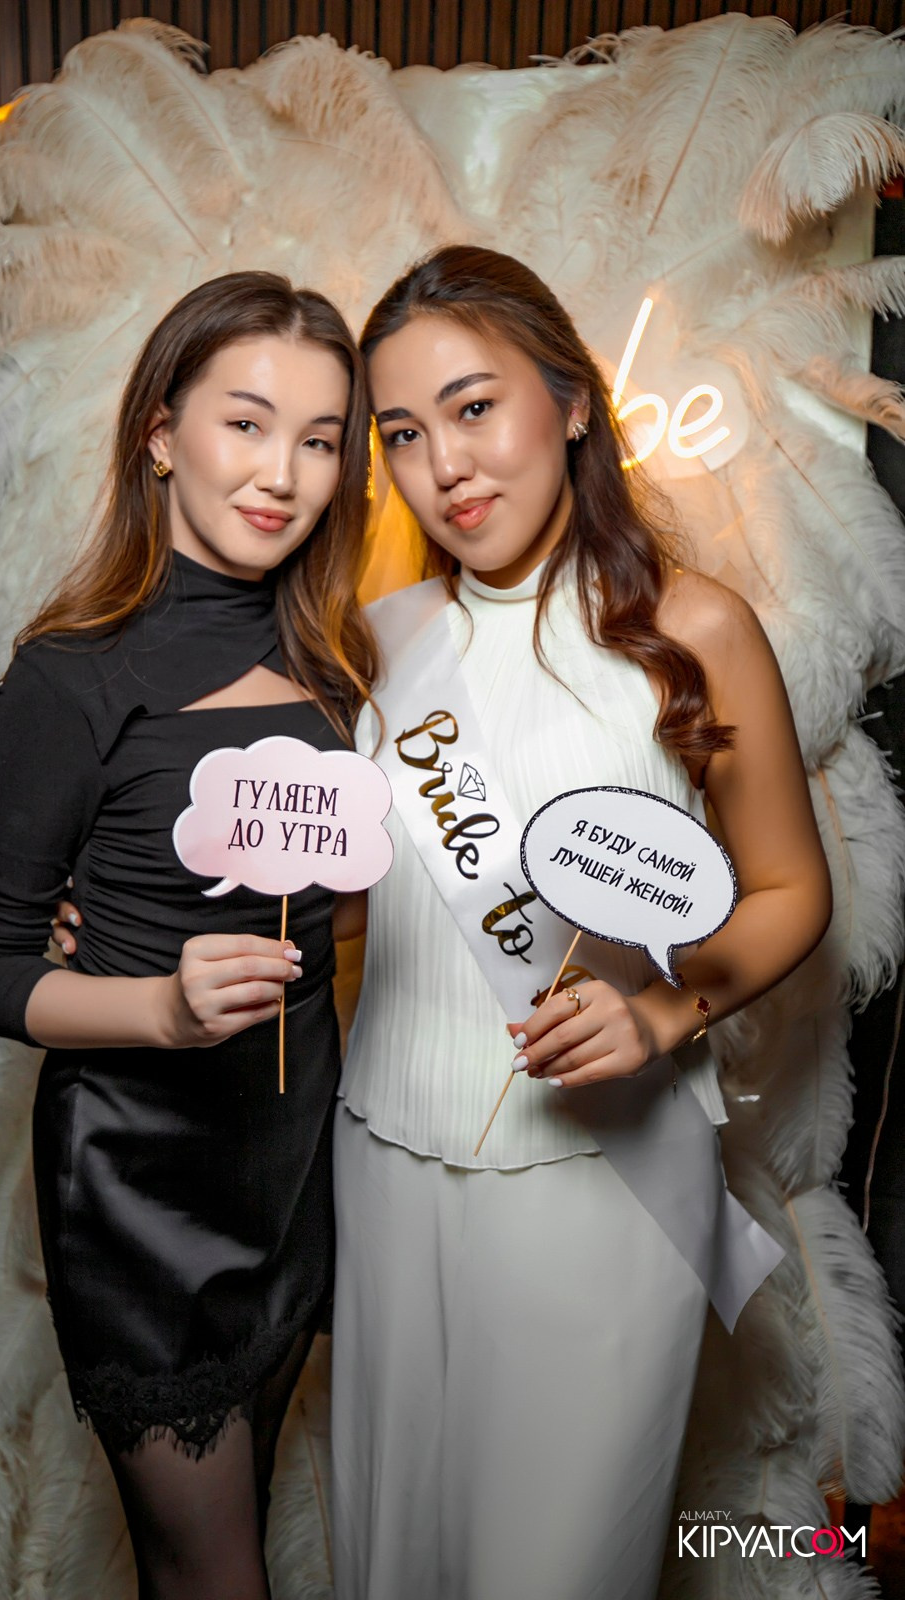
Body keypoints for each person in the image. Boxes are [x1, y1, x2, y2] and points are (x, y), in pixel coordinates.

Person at [329, 246, 833, 1600]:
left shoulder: (694, 626)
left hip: (603, 1181)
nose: (444, 464)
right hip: (384, 1159)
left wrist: (665, 1011)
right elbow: (352, 896)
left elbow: (792, 889)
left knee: (554, 1569)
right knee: (394, 1560)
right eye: (402, 433)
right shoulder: (379, 643)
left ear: (567, 401)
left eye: (474, 407)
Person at [0, 271, 377, 1600]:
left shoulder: (336, 663)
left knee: (226, 1532)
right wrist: (155, 1006)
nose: (283, 474)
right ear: (159, 434)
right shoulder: (72, 674)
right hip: (142, 1179)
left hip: (291, 1154)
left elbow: (342, 890)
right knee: (213, 1571)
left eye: (320, 440)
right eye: (246, 423)